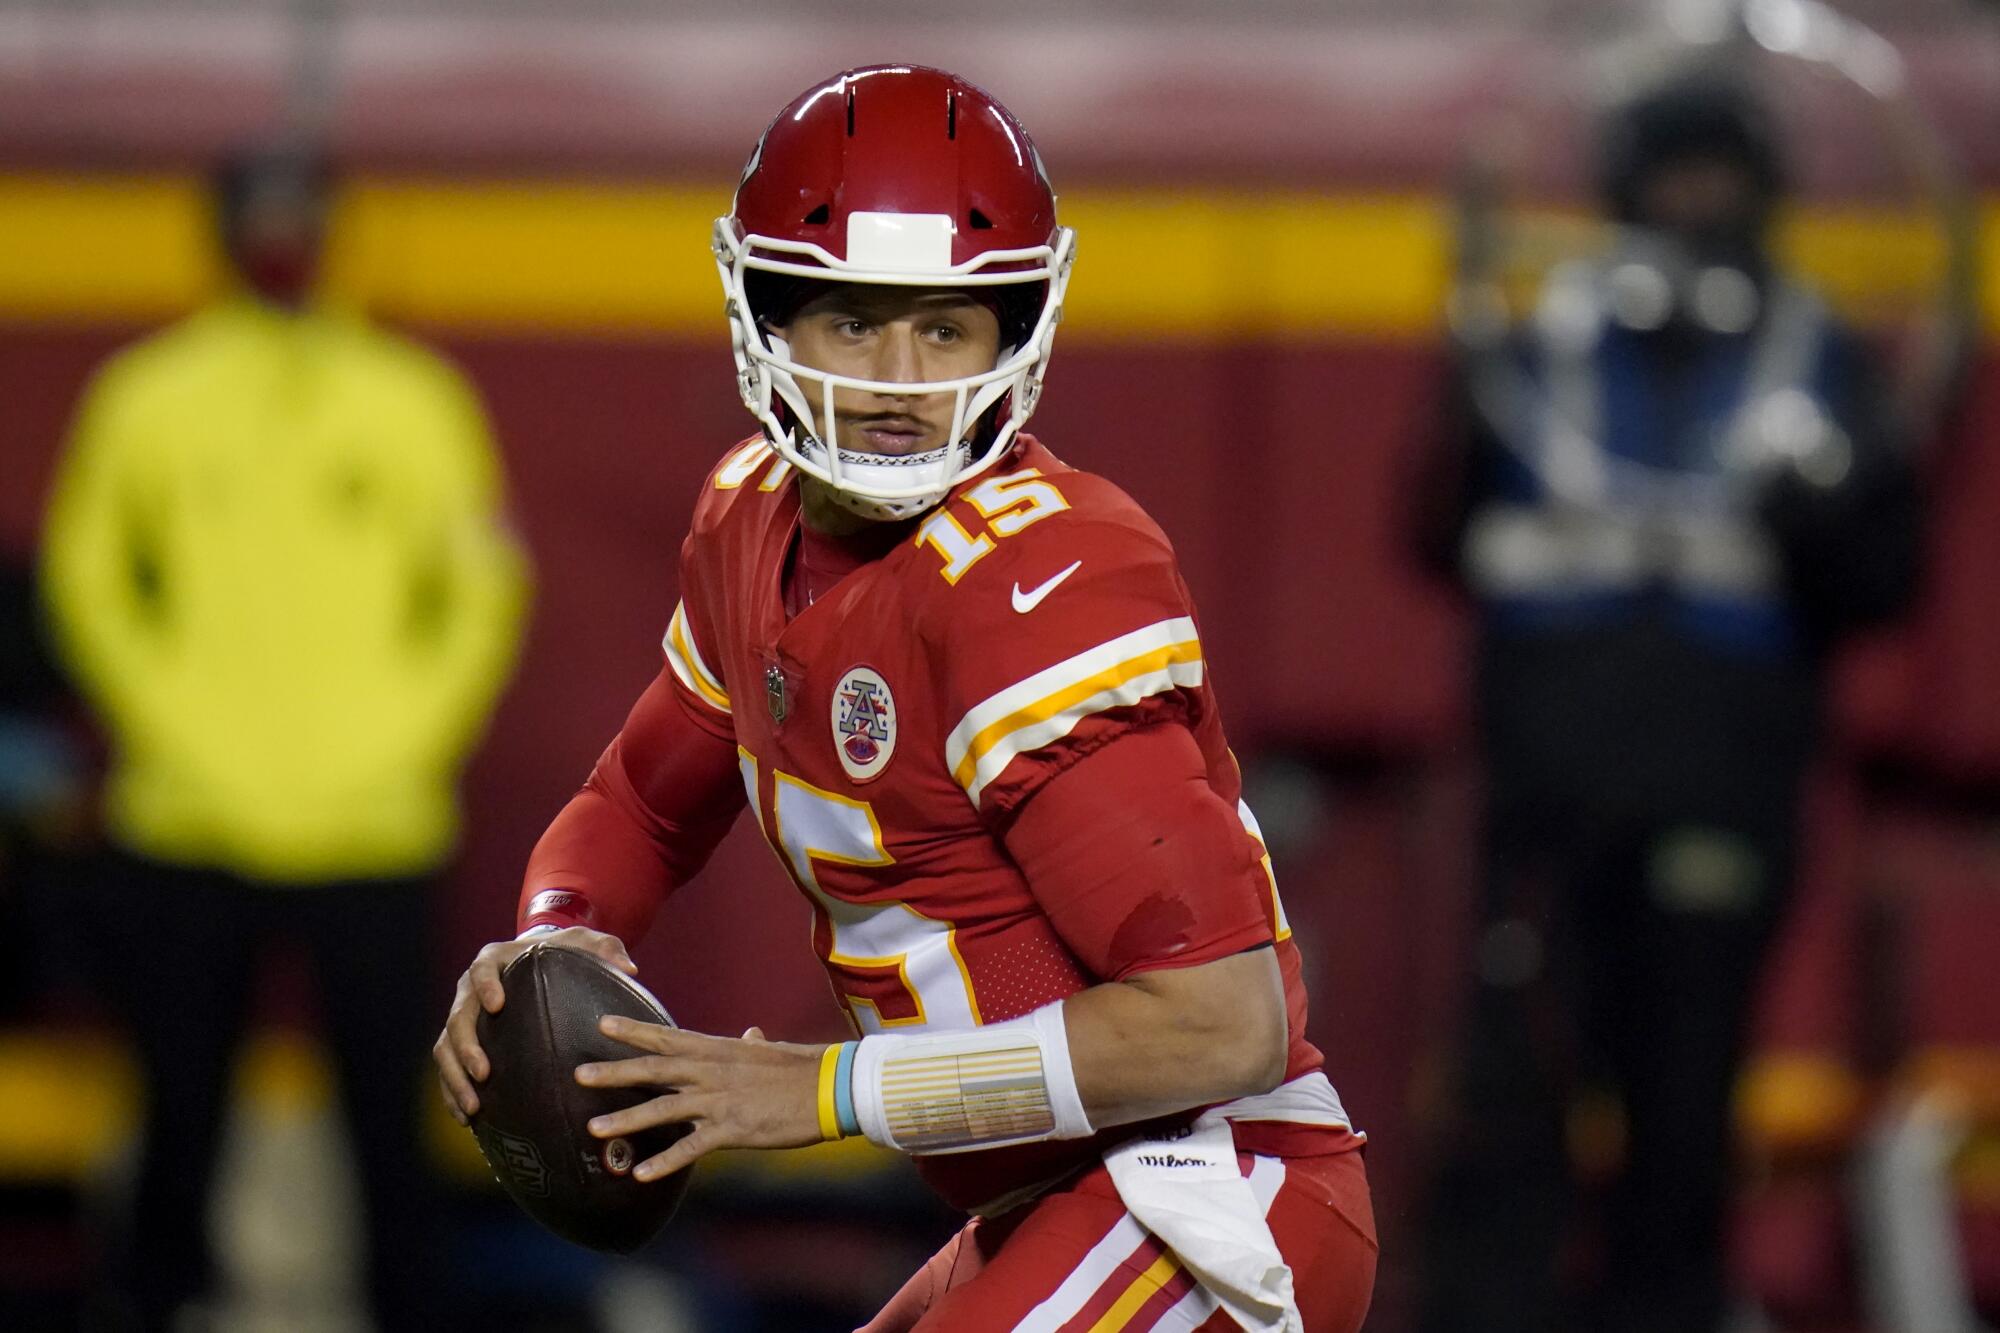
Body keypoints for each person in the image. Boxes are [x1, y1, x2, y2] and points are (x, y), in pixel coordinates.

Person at [435, 65, 1376, 1332]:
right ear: (767, 317)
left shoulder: (1038, 578)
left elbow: (1218, 1028)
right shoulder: (745, 520)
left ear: (1014, 334)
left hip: (1211, 1183)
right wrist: (556, 934)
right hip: (1050, 1203)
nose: (895, 380)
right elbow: (640, 807)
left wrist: (816, 1093)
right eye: (852, 322)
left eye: (943, 328)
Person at [1410, 69, 1922, 1333]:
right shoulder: (1537, 346)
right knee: (1511, 1096)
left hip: (1719, 792)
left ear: (1765, 198)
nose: (1692, 204)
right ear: (1618, 194)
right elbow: (1435, 530)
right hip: (1548, 794)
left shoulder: (1822, 360)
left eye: (1719, 176)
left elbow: (1886, 578)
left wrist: (1832, 518)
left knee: (1684, 1108)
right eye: (1668, 176)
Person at [40, 141, 529, 1331]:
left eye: (299, 219)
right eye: (259, 219)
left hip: (374, 820)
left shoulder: (410, 398)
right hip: (186, 814)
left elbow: (480, 585)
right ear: (218, 232)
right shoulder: (148, 396)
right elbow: (86, 576)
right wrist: (172, 719)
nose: (281, 242)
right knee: (176, 1113)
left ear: (330, 229)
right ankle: (156, 1303)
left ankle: (405, 1309)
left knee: (394, 1120)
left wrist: (403, 735)